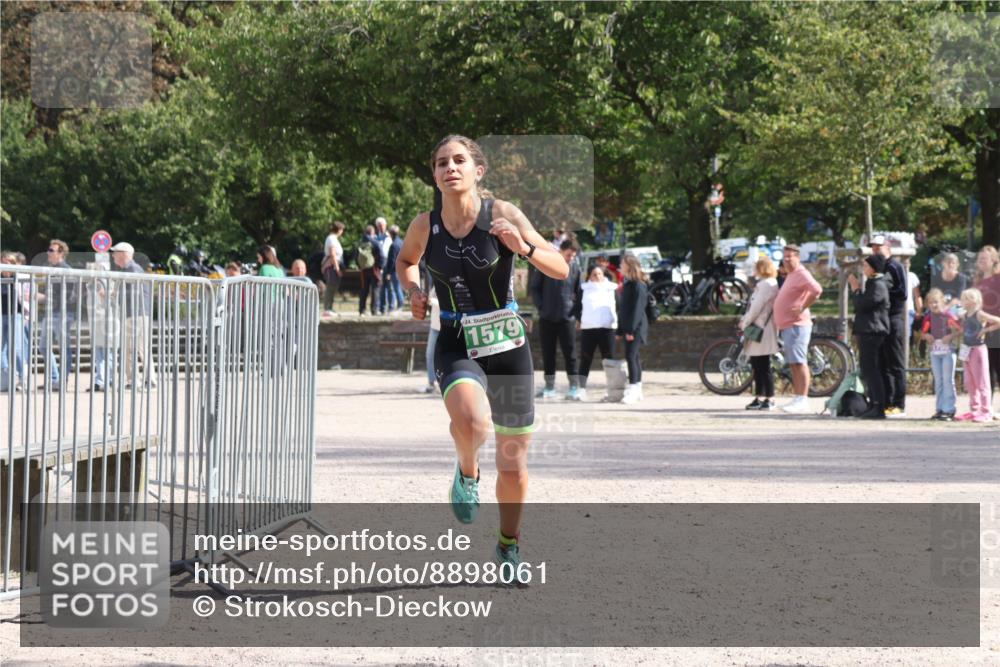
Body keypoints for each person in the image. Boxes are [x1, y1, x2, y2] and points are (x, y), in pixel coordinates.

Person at [396, 134, 569, 584]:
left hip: (507, 343)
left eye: (458, 160)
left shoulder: (503, 215)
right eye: (440, 163)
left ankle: (509, 546)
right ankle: (467, 471)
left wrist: (523, 247)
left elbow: (560, 267)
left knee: (512, 463)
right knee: (473, 423)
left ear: (478, 170)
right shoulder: (424, 225)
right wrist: (415, 291)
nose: (449, 168)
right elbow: (406, 262)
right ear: (434, 175)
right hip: (455, 337)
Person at [772, 245, 823, 413]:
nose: (786, 260)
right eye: (784, 257)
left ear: (798, 258)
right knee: (793, 363)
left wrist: (802, 306)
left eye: (790, 257)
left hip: (797, 325)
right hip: (788, 325)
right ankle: (798, 398)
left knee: (799, 362)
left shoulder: (801, 273)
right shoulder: (792, 274)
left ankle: (803, 399)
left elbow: (817, 290)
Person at [531, 239, 582, 399]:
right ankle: (549, 387)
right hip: (547, 317)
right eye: (568, 255)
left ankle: (574, 386)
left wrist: (575, 312)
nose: (571, 258)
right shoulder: (546, 263)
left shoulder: (575, 267)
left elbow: (579, 292)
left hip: (567, 317)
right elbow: (535, 288)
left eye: (573, 256)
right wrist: (541, 306)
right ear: (561, 251)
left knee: (570, 353)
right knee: (548, 353)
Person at [868, 235, 908, 417]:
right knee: (883, 362)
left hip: (893, 317)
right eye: (873, 248)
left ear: (888, 247)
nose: (876, 251)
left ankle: (899, 404)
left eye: (879, 247)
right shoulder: (877, 266)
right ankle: (887, 401)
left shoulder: (894, 266)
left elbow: (902, 292)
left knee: (896, 362)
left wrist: (882, 292)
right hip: (881, 320)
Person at [848, 255, 890, 419]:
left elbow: (862, 305)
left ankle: (878, 406)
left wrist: (856, 289)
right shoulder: (873, 283)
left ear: (874, 268)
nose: (863, 268)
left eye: (866, 265)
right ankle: (873, 404)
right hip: (867, 330)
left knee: (872, 369)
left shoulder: (878, 285)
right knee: (868, 369)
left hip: (873, 331)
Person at [111, 242, 157, 389]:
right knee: (132, 348)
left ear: (124, 254)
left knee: (139, 348)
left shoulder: (132, 269)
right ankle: (137, 380)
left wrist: (111, 294)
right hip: (134, 314)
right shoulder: (129, 269)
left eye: (115, 252)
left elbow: (126, 294)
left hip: (137, 314)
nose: (113, 255)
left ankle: (148, 379)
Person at [739, 256, 779, 411]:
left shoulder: (764, 285)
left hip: (760, 328)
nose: (754, 270)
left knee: (762, 364)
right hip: (763, 327)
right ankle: (761, 396)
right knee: (759, 364)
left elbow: (755, 308)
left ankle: (769, 397)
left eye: (756, 267)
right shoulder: (771, 284)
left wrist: (745, 322)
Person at [955, 288, 1000, 422]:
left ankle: (986, 410)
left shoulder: (979, 314)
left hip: (978, 350)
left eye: (968, 298)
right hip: (966, 350)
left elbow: (998, 321)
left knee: (982, 382)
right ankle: (974, 409)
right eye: (964, 298)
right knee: (970, 382)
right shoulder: (965, 315)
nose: (965, 301)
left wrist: (985, 329)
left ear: (975, 300)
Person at [38, 239, 77, 390]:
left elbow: (67, 295)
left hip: (63, 313)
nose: (48, 252)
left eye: (51, 250)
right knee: (43, 347)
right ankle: (55, 378)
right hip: (52, 313)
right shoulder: (52, 269)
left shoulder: (65, 269)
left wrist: (43, 297)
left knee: (63, 347)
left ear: (61, 253)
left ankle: (62, 381)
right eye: (48, 250)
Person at [577, 264, 618, 402]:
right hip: (588, 329)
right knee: (585, 359)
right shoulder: (583, 289)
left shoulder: (612, 288)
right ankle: (581, 389)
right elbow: (577, 306)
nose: (597, 276)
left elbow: (619, 306)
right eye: (594, 274)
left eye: (600, 274)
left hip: (607, 329)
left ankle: (612, 390)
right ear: (589, 276)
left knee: (610, 361)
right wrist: (579, 319)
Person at [921, 288, 961, 421]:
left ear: (942, 301)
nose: (933, 305)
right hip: (935, 352)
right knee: (938, 381)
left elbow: (960, 330)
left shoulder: (948, 315)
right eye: (931, 302)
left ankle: (949, 409)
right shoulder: (928, 317)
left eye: (936, 302)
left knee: (948, 380)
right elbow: (923, 333)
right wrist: (927, 336)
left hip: (948, 351)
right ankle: (940, 409)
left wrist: (950, 336)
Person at [617, 254, 649, 404]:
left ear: (629, 265)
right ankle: (637, 388)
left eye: (622, 263)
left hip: (636, 328)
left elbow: (637, 310)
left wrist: (630, 330)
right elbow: (623, 309)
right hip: (629, 327)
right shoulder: (628, 283)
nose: (620, 266)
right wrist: (620, 329)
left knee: (631, 356)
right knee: (633, 357)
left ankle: (633, 388)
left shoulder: (638, 285)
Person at [973, 246, 1000, 398]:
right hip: (982, 330)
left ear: (993, 260)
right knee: (986, 370)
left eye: (984, 258)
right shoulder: (977, 281)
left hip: (998, 327)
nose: (981, 261)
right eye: (979, 258)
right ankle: (986, 407)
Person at [1, 252, 27, 392]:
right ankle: (6, 379)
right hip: (1, 315)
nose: (6, 265)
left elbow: (27, 296)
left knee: (16, 348)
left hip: (15, 314)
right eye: (3, 261)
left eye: (9, 262)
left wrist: (28, 316)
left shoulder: (19, 277)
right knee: (1, 350)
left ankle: (23, 378)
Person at [357, 225, 383, 316]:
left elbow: (355, 256)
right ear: (372, 233)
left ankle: (362, 310)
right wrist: (380, 266)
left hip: (363, 270)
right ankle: (374, 310)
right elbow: (381, 254)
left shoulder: (360, 243)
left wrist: (360, 266)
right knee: (375, 289)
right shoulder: (375, 242)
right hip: (374, 269)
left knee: (364, 289)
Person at [322, 221, 345, 315]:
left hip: (333, 266)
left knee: (333, 286)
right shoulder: (332, 239)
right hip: (332, 266)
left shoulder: (333, 238)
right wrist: (337, 268)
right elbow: (333, 254)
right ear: (339, 230)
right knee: (331, 286)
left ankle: (329, 307)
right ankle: (327, 308)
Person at [421, 286, 441, 394]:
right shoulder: (435, 285)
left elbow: (446, 304)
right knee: (429, 354)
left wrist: (431, 301)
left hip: (446, 326)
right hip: (434, 326)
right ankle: (432, 382)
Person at [381, 225, 405, 313]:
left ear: (391, 233)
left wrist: (388, 273)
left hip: (395, 271)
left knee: (396, 288)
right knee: (398, 288)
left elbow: (392, 260)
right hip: (401, 269)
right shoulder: (401, 242)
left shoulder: (393, 245)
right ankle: (399, 305)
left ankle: (400, 306)